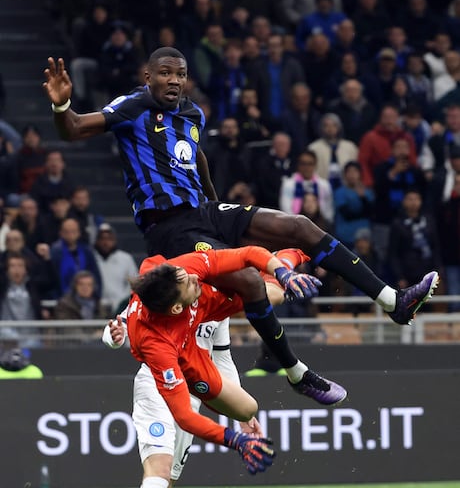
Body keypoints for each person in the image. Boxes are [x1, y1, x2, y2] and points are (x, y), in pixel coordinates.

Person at [44, 48, 438, 370]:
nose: (174, 80)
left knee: (299, 225)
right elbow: (76, 128)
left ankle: (393, 301)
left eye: (180, 74)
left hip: (205, 211)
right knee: (250, 279)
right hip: (168, 226)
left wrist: (216, 204)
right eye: (165, 73)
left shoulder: (192, 114)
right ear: (149, 78)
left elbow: (196, 159)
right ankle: (292, 369)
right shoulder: (133, 107)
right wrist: (63, 107)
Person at [113, 245, 344, 484]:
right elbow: (184, 416)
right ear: (176, 308)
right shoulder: (157, 345)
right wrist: (234, 439)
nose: (195, 278)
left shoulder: (179, 272)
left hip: (202, 323)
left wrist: (282, 273)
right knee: (162, 472)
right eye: (190, 284)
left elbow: (246, 254)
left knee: (247, 409)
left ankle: (290, 255)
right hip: (180, 363)